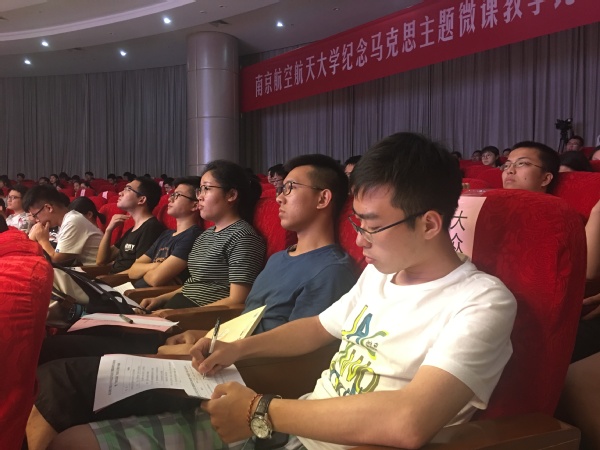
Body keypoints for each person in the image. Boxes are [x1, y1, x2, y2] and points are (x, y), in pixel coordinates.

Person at [46, 133, 517, 450]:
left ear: (430, 224)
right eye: (356, 223)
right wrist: (235, 348)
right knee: (76, 441)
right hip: (289, 425)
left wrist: (262, 410)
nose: (359, 241)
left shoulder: (482, 302)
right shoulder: (381, 274)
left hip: (304, 426)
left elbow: (409, 421)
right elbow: (316, 328)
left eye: (372, 226)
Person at [26, 155, 359, 448]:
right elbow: (248, 314)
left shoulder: (331, 270)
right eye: (280, 189)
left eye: (290, 188)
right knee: (62, 364)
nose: (280, 197)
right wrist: (202, 334)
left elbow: (301, 357)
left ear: (323, 198)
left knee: (61, 381)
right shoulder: (280, 258)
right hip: (218, 353)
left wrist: (209, 351)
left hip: (240, 374)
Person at [139, 160, 266, 311]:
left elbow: (237, 300)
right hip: (176, 310)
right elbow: (194, 285)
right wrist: (160, 299)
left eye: (206, 188)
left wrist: (177, 314)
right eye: (200, 190)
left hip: (201, 317)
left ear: (231, 195)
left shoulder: (243, 237)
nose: (200, 197)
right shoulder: (205, 235)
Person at [95, 176, 165, 274]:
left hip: (123, 282)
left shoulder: (151, 228)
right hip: (112, 278)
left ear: (141, 200)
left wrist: (109, 279)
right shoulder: (133, 229)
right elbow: (101, 261)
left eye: (128, 189)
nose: (120, 193)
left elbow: (138, 270)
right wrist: (109, 230)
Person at [24, 185, 102, 265]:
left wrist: (42, 240)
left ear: (49, 208)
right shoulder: (66, 221)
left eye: (35, 215)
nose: (36, 220)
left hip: (93, 270)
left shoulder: (72, 221)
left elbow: (56, 259)